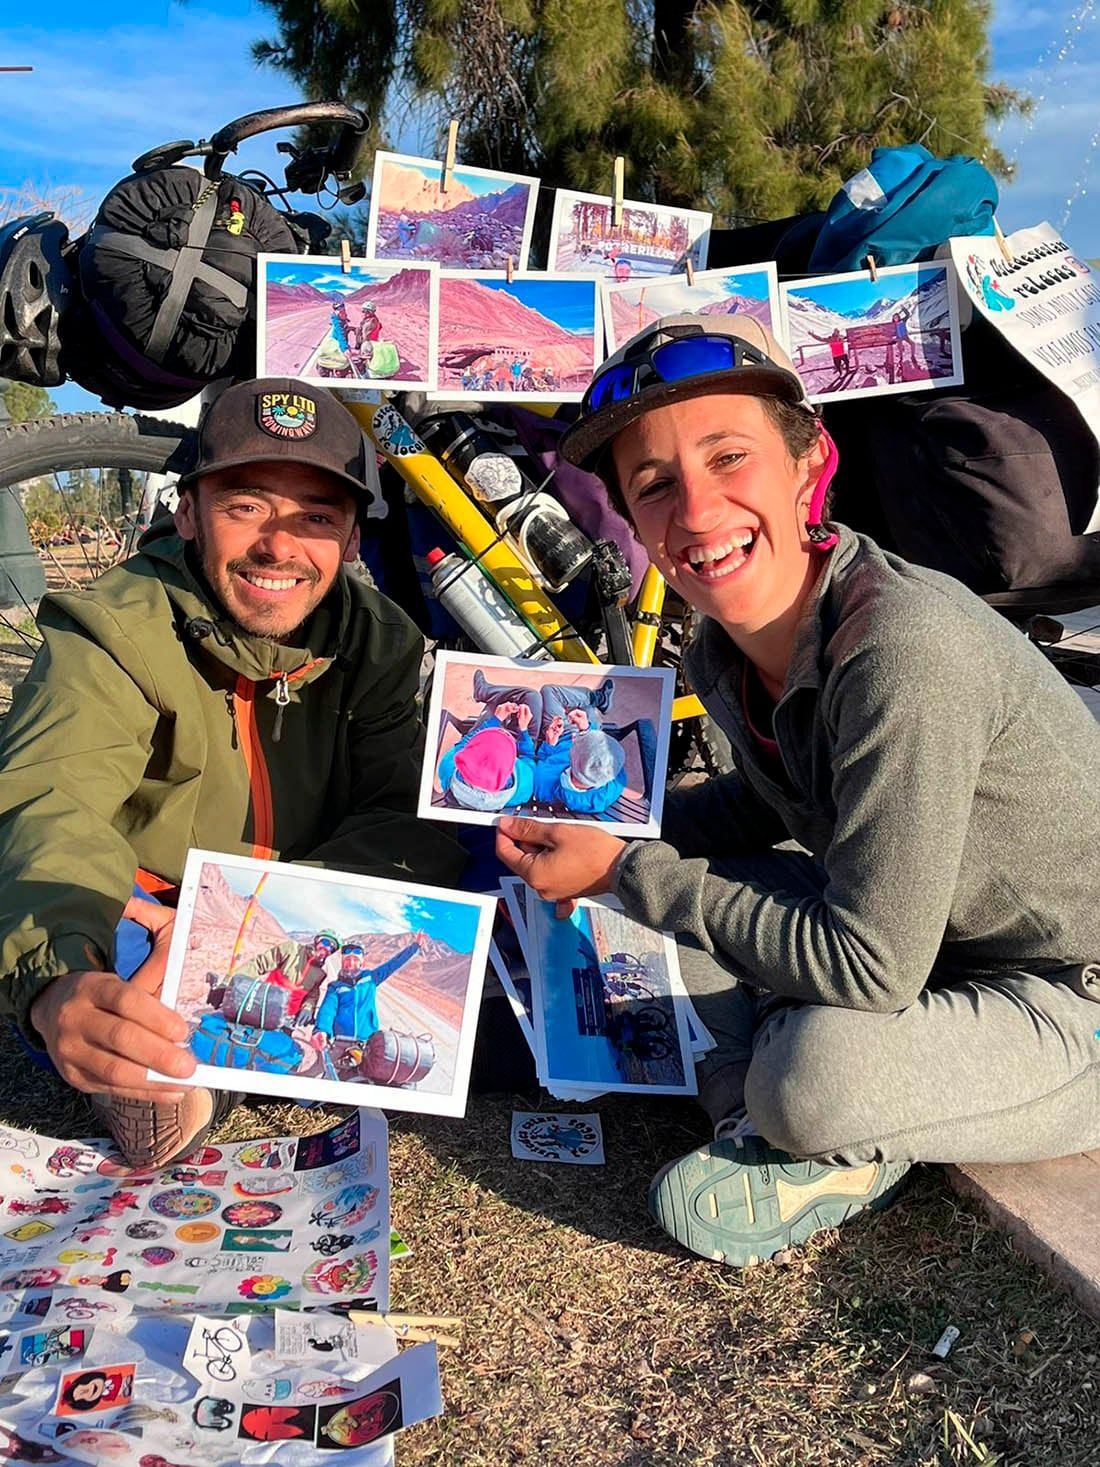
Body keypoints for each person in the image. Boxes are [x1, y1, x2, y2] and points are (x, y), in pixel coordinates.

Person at [495, 312, 1100, 1268]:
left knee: (807, 1081)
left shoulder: (903, 648)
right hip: (930, 944)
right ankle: (812, 1082)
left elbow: (870, 968)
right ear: (633, 517)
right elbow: (763, 802)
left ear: (808, 459)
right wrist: (604, 827)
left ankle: (821, 1120)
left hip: (1069, 990)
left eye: (729, 457)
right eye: (654, 485)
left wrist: (624, 869)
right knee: (671, 931)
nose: (695, 511)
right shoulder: (720, 644)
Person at [0, 377, 463, 1169]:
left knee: (472, 856)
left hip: (301, 918)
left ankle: (231, 1057)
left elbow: (397, 810)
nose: (279, 546)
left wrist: (282, 929)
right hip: (155, 909)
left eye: (316, 517)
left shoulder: (379, 639)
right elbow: (49, 801)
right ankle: (164, 1058)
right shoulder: (113, 628)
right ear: (188, 513)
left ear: (352, 540)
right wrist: (56, 980)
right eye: (245, 506)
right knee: (96, 991)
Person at [312, 935, 425, 1065]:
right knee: (325, 1072)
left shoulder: (371, 978)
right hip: (340, 1042)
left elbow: (393, 964)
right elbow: (328, 1009)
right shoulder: (335, 987)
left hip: (367, 1043)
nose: (351, 963)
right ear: (342, 963)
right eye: (347, 959)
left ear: (362, 963)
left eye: (355, 959)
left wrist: (414, 947)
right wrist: (322, 1030)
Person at [213, 928, 341, 1025]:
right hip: (261, 1006)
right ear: (317, 941)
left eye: (331, 947)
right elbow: (258, 965)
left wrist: (308, 1008)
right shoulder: (291, 949)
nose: (326, 948)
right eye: (325, 942)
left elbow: (312, 995)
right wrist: (227, 985)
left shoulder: (320, 973)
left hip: (286, 1019)